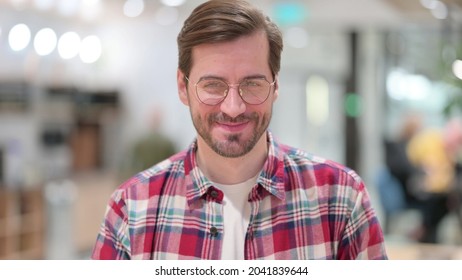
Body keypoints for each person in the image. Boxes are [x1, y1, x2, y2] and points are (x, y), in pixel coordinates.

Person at [91, 0, 387, 260]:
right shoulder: (132, 209)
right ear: (183, 87)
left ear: (275, 86)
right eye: (213, 85)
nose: (233, 107)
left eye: (252, 84)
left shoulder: (340, 198)